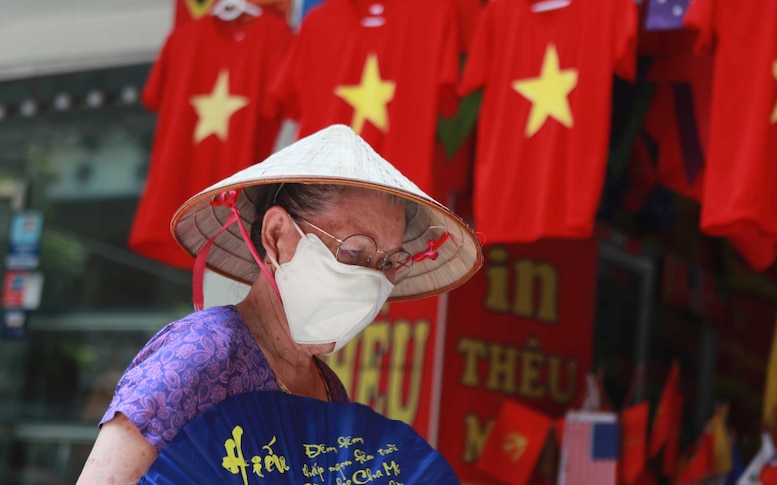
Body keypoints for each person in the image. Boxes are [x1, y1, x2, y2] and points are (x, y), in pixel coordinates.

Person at [77, 124, 482, 483]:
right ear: (276, 236)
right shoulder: (202, 353)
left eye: (388, 263)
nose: (373, 281)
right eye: (356, 253)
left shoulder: (328, 388)